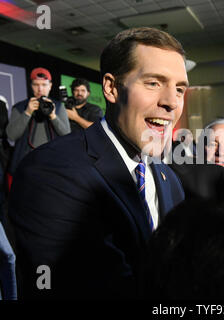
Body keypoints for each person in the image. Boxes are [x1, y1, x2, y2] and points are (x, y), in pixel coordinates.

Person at [8, 27, 188, 299]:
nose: (172, 102)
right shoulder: (50, 172)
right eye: (153, 83)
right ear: (111, 88)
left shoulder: (169, 179)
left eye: (179, 89)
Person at [5, 68, 70, 176]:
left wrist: (53, 115)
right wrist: (27, 112)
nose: (40, 89)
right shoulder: (20, 107)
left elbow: (66, 134)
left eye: (44, 85)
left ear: (50, 86)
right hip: (25, 164)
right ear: (31, 86)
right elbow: (11, 135)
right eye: (36, 84)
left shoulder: (58, 107)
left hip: (52, 164)